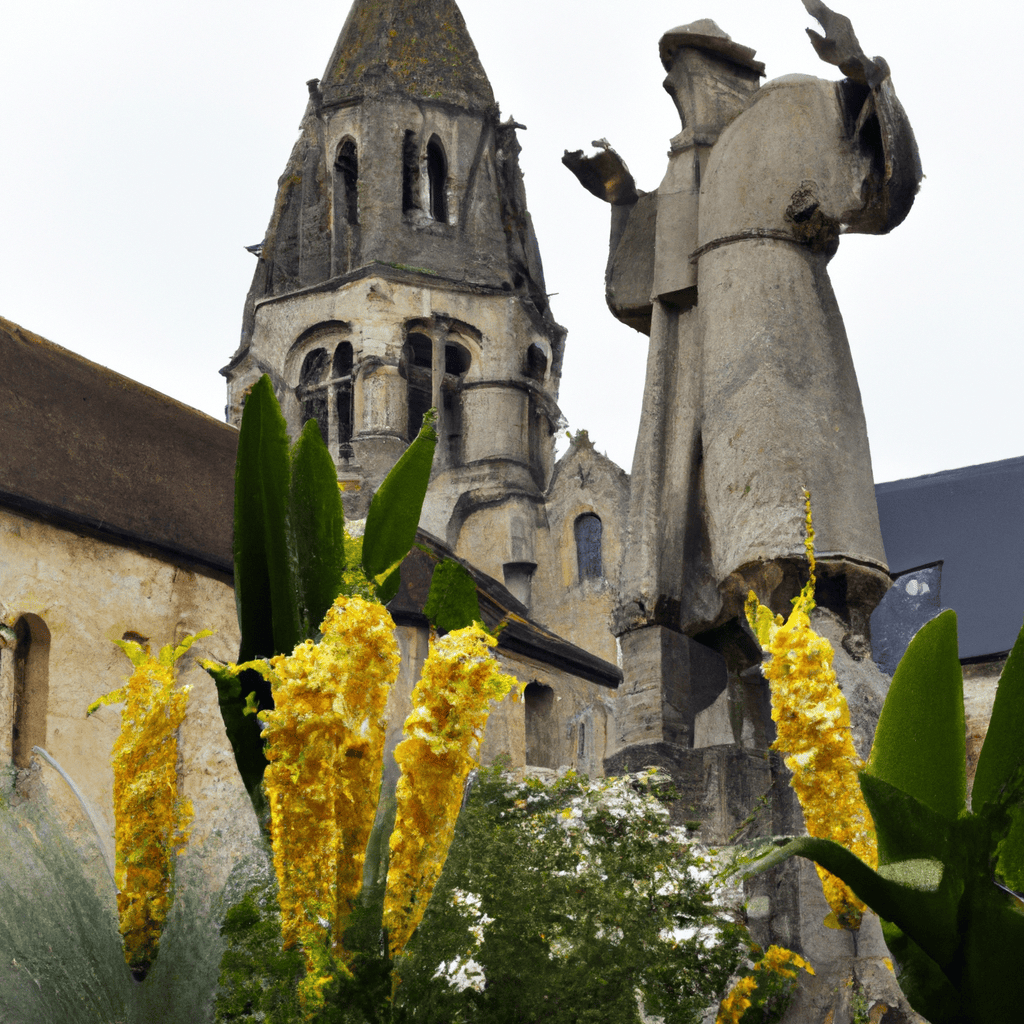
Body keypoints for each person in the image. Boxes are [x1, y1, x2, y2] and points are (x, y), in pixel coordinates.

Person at [564, 0, 921, 648]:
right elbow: (645, 293)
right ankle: (718, 644)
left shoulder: (785, 112)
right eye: (678, 85)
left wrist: (867, 76)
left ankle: (815, 629)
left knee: (780, 495)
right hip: (695, 357)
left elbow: (880, 187)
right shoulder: (684, 170)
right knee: (696, 515)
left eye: (694, 76)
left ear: (732, 75)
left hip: (776, 324)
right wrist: (621, 198)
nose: (688, 95)